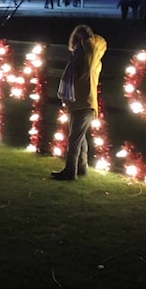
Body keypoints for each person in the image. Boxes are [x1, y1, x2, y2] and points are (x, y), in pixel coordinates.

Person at [51, 24, 107, 181]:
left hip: (85, 104)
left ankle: (70, 171)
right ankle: (82, 168)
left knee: (74, 139)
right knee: (79, 138)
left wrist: (85, 35)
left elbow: (90, 47)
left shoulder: (91, 60)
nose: (77, 45)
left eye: (80, 42)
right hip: (76, 104)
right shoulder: (78, 62)